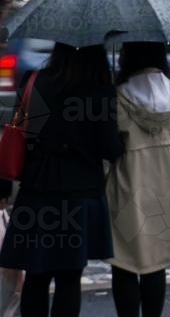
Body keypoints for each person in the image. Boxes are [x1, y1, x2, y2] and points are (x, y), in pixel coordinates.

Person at [0, 43, 125, 317]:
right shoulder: (100, 90)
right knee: (69, 279)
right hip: (80, 194)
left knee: (36, 274)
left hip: (37, 189)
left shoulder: (35, 80)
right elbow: (109, 149)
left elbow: (19, 130)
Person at [106, 41, 170, 317]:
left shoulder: (116, 98)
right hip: (164, 192)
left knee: (124, 262)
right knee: (155, 264)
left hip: (126, 190)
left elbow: (108, 150)